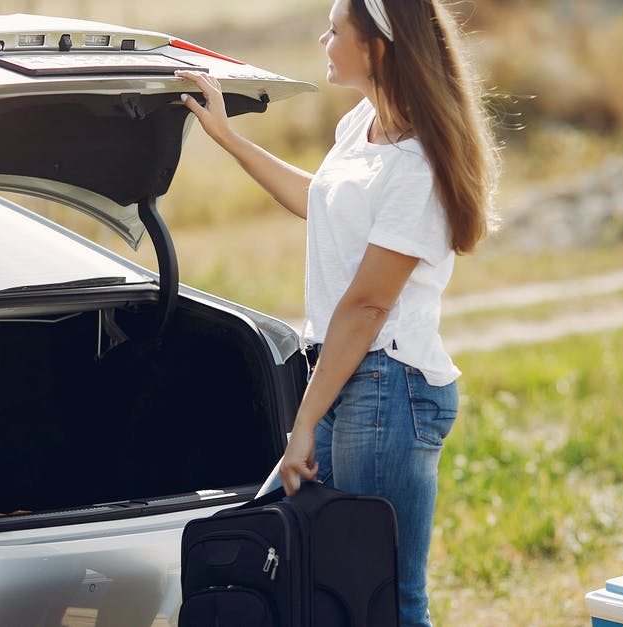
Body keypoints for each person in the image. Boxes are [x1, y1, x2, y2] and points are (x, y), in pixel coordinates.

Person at [176, 0, 499, 624]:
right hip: (350, 378)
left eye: (336, 30)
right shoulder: (362, 126)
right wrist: (229, 140)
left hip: (387, 388)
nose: (324, 38)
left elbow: (367, 306)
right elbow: (319, 199)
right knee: (288, 559)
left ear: (377, 48)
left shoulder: (419, 167)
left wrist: (303, 424)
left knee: (389, 597)